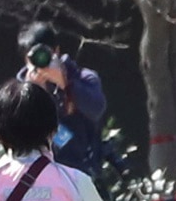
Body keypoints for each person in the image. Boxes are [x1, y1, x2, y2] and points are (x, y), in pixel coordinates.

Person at [18, 21, 112, 175]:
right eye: (33, 56)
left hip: (80, 172)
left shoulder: (83, 78)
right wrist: (32, 92)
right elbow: (16, 132)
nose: (40, 61)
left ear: (56, 51)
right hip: (37, 176)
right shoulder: (19, 88)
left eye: (44, 53)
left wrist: (66, 84)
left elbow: (96, 109)